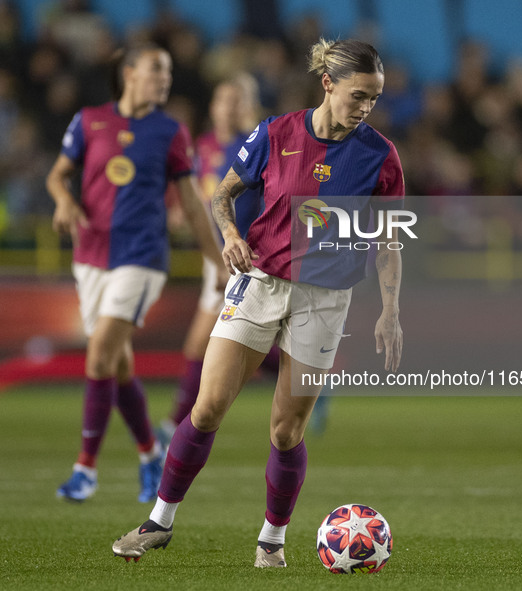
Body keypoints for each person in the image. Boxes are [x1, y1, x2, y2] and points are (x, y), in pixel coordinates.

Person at [112, 38, 404, 566]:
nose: (366, 107)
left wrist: (390, 311)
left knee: (286, 430)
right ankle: (159, 521)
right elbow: (222, 195)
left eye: (375, 98)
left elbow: (387, 242)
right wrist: (228, 236)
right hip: (260, 280)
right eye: (359, 95)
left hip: (326, 299)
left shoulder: (380, 157)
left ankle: (271, 540)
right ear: (328, 83)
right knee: (205, 409)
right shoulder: (276, 133)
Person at [46, 43, 227, 503]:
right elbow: (58, 174)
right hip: (90, 256)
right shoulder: (89, 120)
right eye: (155, 70)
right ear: (129, 73)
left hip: (142, 257)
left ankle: (85, 469)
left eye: (167, 72)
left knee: (101, 353)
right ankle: (150, 455)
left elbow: (190, 202)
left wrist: (216, 259)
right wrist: (64, 200)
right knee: (117, 363)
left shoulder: (170, 131)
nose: (164, 79)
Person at [160, 73, 274, 439]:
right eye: (223, 100)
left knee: (201, 343)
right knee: (234, 342)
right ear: (212, 107)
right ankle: (303, 377)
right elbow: (198, 192)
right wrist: (179, 212)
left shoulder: (252, 145)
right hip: (217, 254)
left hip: (245, 254)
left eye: (235, 101)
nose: (228, 107)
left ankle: (172, 425)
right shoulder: (204, 145)